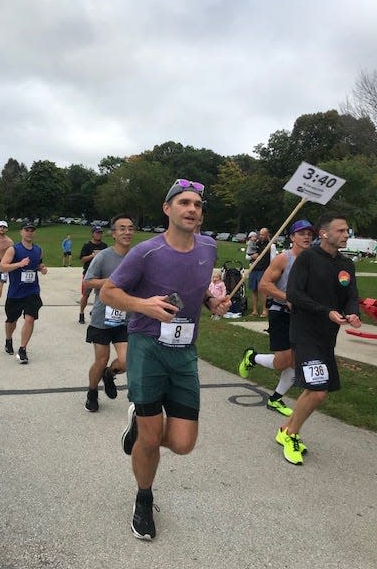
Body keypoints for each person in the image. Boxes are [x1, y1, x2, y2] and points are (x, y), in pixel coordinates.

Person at [100, 178, 230, 541]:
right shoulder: (146, 252)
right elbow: (110, 292)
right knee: (151, 437)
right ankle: (143, 498)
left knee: (184, 443)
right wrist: (144, 305)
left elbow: (198, 285)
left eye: (198, 205)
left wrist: (210, 302)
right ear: (167, 209)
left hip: (185, 351)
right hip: (147, 348)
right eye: (185, 202)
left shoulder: (208, 247)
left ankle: (137, 427)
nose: (192, 209)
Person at [275, 212, 361, 465]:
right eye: (341, 230)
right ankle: (292, 435)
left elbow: (351, 296)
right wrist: (326, 311)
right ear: (324, 234)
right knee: (317, 390)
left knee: (317, 389)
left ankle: (285, 429)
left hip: (327, 336)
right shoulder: (308, 258)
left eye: (347, 231)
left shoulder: (347, 264)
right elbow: (294, 294)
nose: (346, 235)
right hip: (304, 332)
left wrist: (353, 314)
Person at [237, 220, 315, 416]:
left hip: (302, 317)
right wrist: (287, 298)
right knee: (283, 361)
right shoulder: (283, 259)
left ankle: (275, 399)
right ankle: (252, 357)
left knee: (295, 361)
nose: (306, 236)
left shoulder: (313, 260)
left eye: (309, 233)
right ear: (292, 237)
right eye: (301, 233)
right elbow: (264, 285)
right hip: (280, 312)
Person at [83, 214, 135, 412]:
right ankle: (92, 391)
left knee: (126, 360)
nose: (127, 232)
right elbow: (88, 282)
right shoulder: (104, 256)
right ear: (113, 234)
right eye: (122, 228)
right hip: (102, 318)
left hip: (125, 319)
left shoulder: (135, 257)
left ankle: (109, 374)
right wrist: (113, 281)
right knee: (101, 359)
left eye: (130, 228)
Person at [0, 220, 48, 364]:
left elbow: (38, 264)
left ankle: (22, 349)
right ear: (21, 232)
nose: (29, 232)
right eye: (27, 230)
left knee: (30, 318)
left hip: (32, 291)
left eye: (32, 230)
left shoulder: (38, 250)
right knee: (11, 321)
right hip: (15, 292)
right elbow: (2, 267)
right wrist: (19, 264)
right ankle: (8, 339)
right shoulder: (13, 250)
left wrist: (42, 268)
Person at [78, 225, 108, 324]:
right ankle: (81, 313)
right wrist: (93, 255)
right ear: (92, 234)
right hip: (89, 274)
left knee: (102, 295)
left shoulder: (104, 246)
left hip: (101, 274)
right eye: (97, 233)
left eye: (100, 233)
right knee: (86, 295)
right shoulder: (87, 245)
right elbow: (82, 259)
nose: (99, 235)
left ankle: (95, 311)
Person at [248, 227, 272, 317]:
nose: (261, 236)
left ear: (267, 235)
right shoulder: (256, 243)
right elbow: (249, 253)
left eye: (263, 234)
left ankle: (265, 310)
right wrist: (252, 256)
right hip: (254, 268)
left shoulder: (269, 245)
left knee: (262, 290)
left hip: (263, 269)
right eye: (260, 234)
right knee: (254, 290)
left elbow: (271, 254)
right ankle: (254, 310)